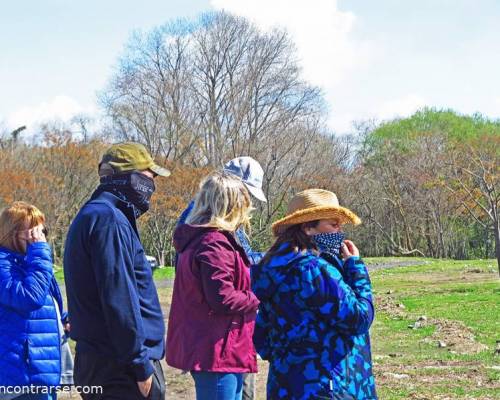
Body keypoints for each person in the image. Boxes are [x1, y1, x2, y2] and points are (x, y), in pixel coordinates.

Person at [64, 142, 169, 400]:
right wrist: (140, 365)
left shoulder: (96, 214)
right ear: (127, 177)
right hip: (119, 369)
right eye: (148, 175)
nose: (153, 183)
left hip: (105, 362)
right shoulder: (108, 219)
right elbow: (118, 298)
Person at [252, 189, 377, 400]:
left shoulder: (270, 267)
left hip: (285, 385)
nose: (339, 233)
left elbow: (262, 336)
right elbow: (358, 318)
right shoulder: (313, 270)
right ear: (308, 227)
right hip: (327, 386)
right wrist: (355, 268)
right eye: (333, 225)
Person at [176, 156, 267, 400]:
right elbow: (223, 298)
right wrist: (257, 297)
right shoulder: (214, 242)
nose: (248, 208)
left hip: (223, 345)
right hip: (217, 348)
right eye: (244, 199)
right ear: (230, 202)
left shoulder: (206, 237)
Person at [0, 202, 64, 400]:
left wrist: (64, 320)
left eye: (41, 229)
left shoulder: (30, 261)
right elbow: (30, 298)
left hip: (39, 371)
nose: (39, 236)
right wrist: (40, 252)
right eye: (33, 230)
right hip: (18, 377)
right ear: (12, 232)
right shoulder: (5, 264)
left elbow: (46, 302)